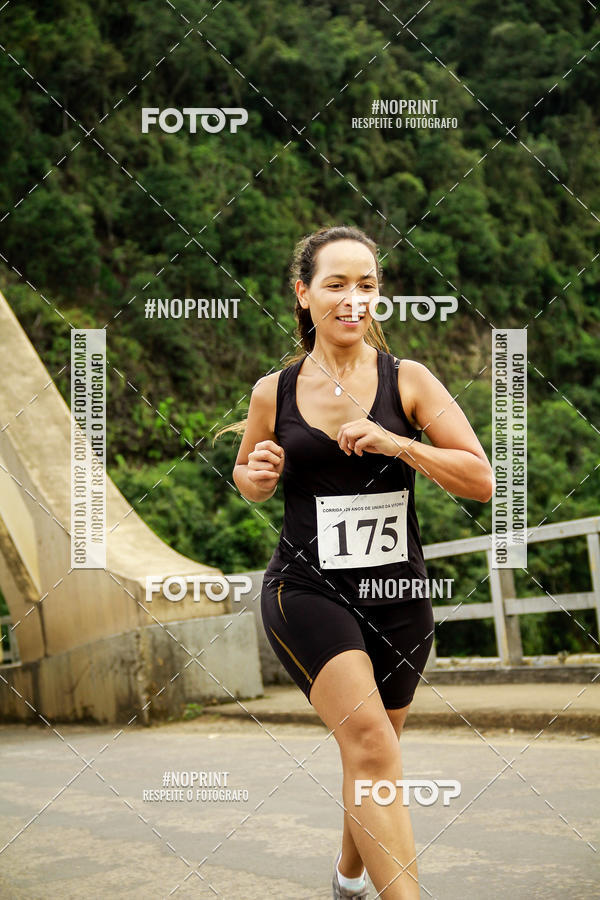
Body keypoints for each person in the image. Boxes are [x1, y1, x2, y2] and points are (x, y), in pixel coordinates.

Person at [215, 224, 493, 898]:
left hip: (398, 595)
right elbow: (247, 477)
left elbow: (481, 480)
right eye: (336, 284)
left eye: (366, 285)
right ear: (303, 294)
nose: (352, 298)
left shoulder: (410, 381)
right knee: (370, 744)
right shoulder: (270, 391)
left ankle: (347, 878)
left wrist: (401, 445)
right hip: (307, 590)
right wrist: (257, 472)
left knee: (374, 755)